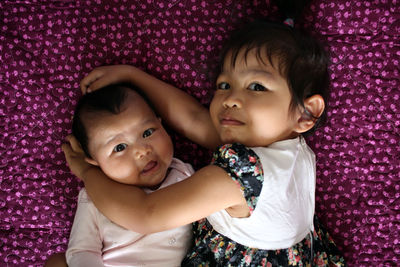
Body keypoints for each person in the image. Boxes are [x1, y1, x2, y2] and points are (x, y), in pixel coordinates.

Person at [64, 17, 347, 267]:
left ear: (306, 113)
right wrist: (133, 76)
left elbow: (145, 213)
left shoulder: (242, 176)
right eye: (224, 85)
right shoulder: (287, 147)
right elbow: (195, 119)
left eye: (257, 87)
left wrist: (88, 173)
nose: (231, 99)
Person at [47, 84, 194, 267]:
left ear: (161, 123)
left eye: (147, 132)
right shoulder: (94, 195)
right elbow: (82, 251)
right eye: (119, 147)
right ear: (93, 161)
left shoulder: (184, 174)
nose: (142, 151)